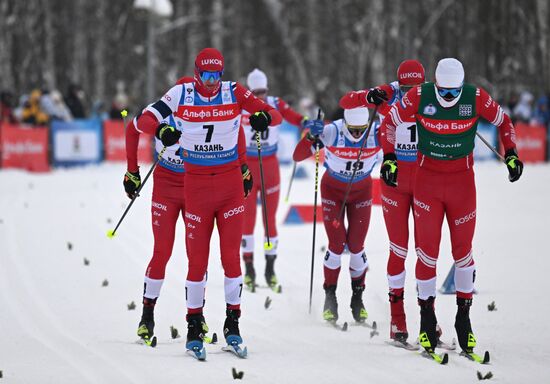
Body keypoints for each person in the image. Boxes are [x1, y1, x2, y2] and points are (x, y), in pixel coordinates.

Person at [133, 48, 282, 354]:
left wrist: (263, 116)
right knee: (196, 261)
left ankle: (232, 326)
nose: (212, 82)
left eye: (217, 75)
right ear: (197, 72)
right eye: (206, 75)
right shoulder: (182, 93)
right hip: (196, 188)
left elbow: (273, 115)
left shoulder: (233, 91)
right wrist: (161, 128)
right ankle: (193, 326)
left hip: (229, 190)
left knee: (231, 259)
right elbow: (144, 119)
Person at [378, 58, 523, 356]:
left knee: (463, 252)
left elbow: (504, 121)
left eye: (451, 93)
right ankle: (427, 319)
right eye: (442, 92)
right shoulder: (419, 95)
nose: (446, 99)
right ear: (435, 85)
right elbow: (390, 123)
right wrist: (389, 157)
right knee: (426, 253)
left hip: (462, 183)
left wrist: (511, 154)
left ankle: (463, 320)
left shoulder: (475, 97)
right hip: (427, 181)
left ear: (460, 87)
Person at [340, 60, 425, 344]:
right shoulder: (389, 93)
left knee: (427, 252)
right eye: (406, 87)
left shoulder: (433, 97)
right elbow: (345, 100)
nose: (412, 92)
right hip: (395, 180)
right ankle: (397, 320)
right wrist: (368, 97)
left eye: (417, 87)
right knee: (399, 249)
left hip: (426, 180)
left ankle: (429, 320)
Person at [293, 107, 380, 324]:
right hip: (333, 191)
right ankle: (330, 297)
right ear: (345, 124)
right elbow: (297, 156)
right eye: (353, 130)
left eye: (362, 130)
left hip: (362, 193)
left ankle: (357, 299)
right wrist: (311, 137)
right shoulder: (333, 131)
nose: (358, 135)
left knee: (357, 246)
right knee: (337, 244)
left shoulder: (376, 132)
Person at [241, 68, 309, 292]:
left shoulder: (275, 103)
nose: (260, 96)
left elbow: (296, 118)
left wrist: (307, 122)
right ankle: (249, 268)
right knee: (247, 221)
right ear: (250, 90)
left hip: (270, 166)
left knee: (269, 221)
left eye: (263, 91)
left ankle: (270, 268)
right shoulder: (241, 104)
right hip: (248, 167)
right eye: (256, 91)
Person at [124, 104, 187, 345]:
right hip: (165, 185)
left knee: (197, 252)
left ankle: (196, 317)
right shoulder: (161, 108)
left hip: (196, 184)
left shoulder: (205, 108)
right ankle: (146, 316)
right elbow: (133, 128)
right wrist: (132, 172)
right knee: (161, 251)